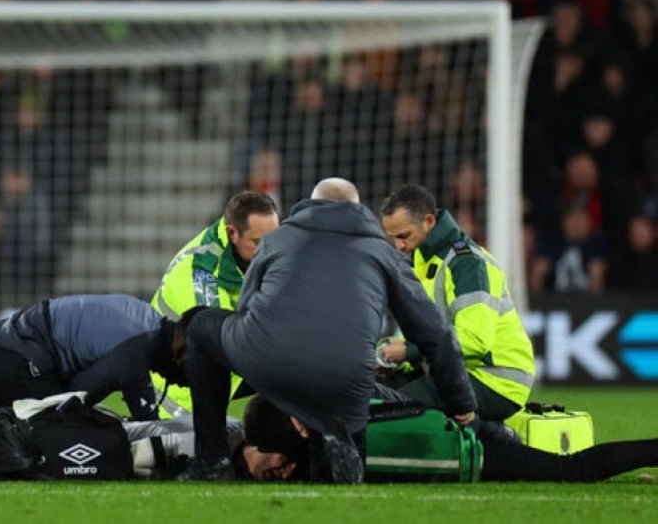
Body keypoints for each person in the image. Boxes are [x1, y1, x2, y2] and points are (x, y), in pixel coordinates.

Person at [179, 178, 476, 483]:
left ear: (311, 204)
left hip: (271, 361)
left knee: (200, 327)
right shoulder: (385, 254)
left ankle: (212, 460)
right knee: (339, 450)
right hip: (346, 380)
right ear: (358, 210)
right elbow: (436, 334)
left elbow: (246, 312)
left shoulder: (275, 241)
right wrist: (460, 402)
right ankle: (334, 443)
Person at [0, 386, 285, 481]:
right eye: (282, 460)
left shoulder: (225, 434)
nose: (284, 472)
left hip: (73, 426)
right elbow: (136, 457)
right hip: (67, 436)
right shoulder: (211, 441)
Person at [379, 184, 536, 423]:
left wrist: (408, 351)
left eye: (403, 236)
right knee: (370, 394)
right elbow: (421, 334)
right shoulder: (421, 261)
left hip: (496, 378)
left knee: (392, 408)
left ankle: (492, 434)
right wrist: (393, 361)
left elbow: (475, 341)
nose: (399, 246)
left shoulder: (468, 265)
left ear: (428, 221)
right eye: (393, 238)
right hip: (451, 369)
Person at [243, 394, 658, 484]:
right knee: (566, 468)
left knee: (571, 470)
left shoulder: (328, 456)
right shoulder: (336, 402)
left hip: (466, 446)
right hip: (458, 429)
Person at [0, 294, 195, 420]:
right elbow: (73, 398)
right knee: (67, 435)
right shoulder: (143, 345)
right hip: (11, 359)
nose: (186, 381)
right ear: (181, 347)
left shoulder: (143, 317)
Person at [150, 191, 280, 417]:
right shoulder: (203, 277)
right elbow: (225, 349)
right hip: (178, 394)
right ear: (233, 233)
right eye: (259, 242)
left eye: (274, 239)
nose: (270, 249)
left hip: (214, 362)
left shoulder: (239, 251)